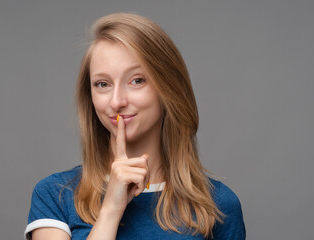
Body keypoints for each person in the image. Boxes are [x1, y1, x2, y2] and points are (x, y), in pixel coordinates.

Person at [24, 13, 245, 240]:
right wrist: (111, 210)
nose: (117, 101)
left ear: (167, 88)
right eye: (102, 84)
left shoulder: (219, 205)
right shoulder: (55, 195)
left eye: (136, 80)